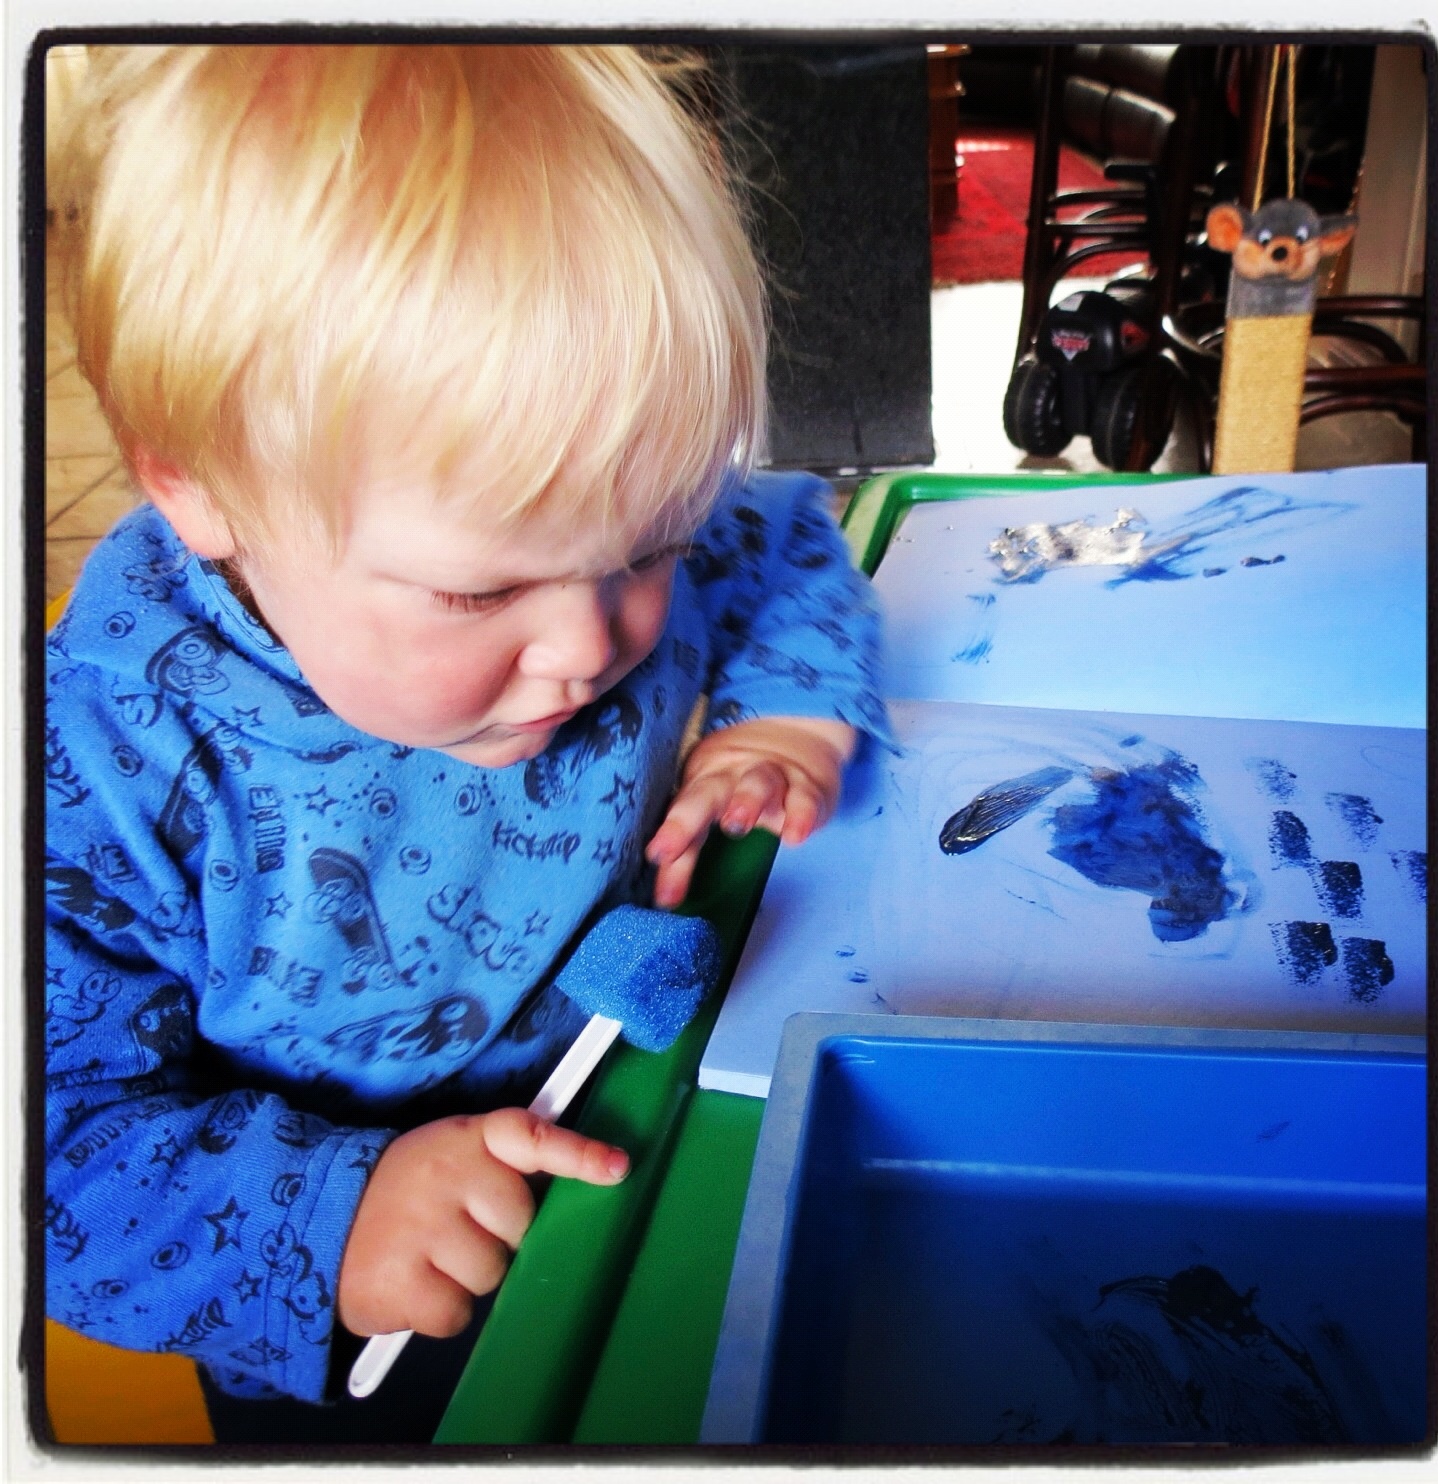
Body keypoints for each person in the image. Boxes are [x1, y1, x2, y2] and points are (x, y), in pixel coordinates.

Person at [44, 43, 886, 1440]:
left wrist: (787, 715)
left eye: (650, 548)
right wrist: (335, 1218)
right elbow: (54, 1149)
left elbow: (790, 540)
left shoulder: (588, 507)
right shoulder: (102, 761)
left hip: (629, 1143)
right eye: (481, 594)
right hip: (357, 1316)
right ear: (200, 487)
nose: (589, 647)